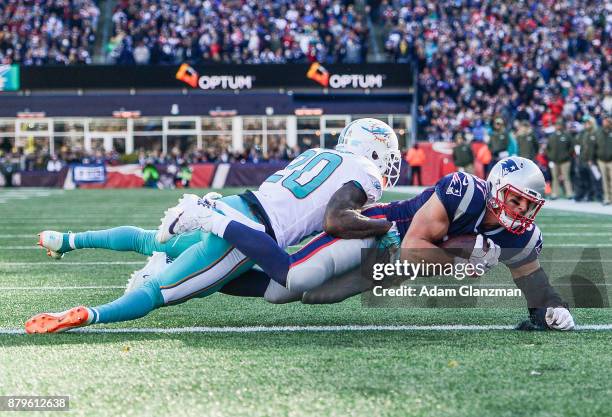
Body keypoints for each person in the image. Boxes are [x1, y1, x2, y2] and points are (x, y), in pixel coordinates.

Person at [27, 118, 402, 333]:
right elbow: (336, 219)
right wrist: (381, 227)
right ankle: (91, 314)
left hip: (239, 205)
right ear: (374, 150)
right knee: (159, 293)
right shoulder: (365, 173)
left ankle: (68, 240)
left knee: (150, 241)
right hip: (246, 235)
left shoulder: (320, 153)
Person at [179, 157, 575, 331]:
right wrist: (461, 256)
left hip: (398, 268)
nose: (520, 210)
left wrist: (549, 308)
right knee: (294, 280)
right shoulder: (464, 190)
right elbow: (414, 245)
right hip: (379, 233)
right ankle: (213, 218)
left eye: (528, 204)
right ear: (495, 190)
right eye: (515, 199)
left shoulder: (519, 233)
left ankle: (207, 280)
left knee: (313, 297)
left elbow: (529, 275)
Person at [546, 118, 574, 199]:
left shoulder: (567, 135)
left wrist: (567, 155)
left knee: (566, 177)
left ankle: (569, 194)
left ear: (562, 126)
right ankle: (555, 194)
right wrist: (550, 156)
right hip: (554, 161)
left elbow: (571, 147)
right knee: (555, 178)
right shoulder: (552, 136)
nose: (558, 126)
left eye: (560, 124)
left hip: (565, 161)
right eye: (557, 124)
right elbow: (548, 148)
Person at [595, 115, 612, 205]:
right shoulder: (598, 132)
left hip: (611, 160)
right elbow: (595, 146)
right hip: (601, 159)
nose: (605, 122)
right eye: (604, 121)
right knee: (604, 180)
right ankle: (607, 198)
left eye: (607, 121)